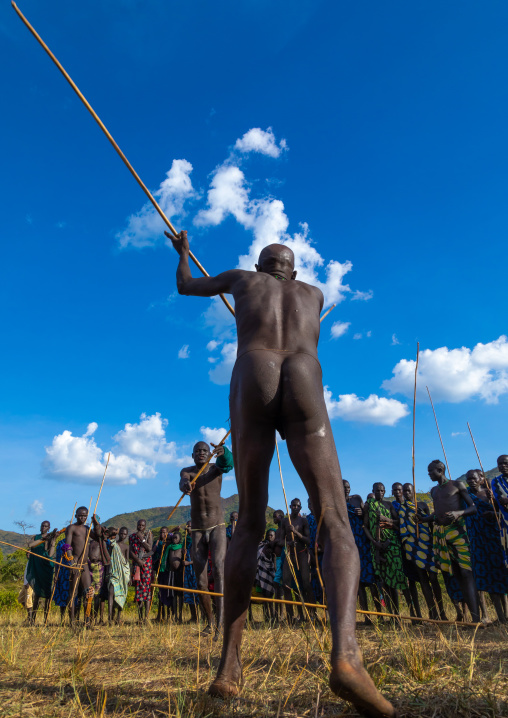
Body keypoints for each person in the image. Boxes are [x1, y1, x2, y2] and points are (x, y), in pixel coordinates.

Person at [169, 231, 395, 717]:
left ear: (260, 266)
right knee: (334, 517)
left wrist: (183, 253)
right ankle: (348, 658)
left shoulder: (242, 279)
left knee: (249, 521)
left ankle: (229, 667)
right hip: (305, 373)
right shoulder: (314, 294)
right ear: (291, 272)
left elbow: (187, 286)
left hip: (254, 370)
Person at [179, 440, 234, 636]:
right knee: (201, 581)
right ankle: (210, 623)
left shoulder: (216, 468)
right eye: (197, 451)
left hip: (217, 525)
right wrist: (185, 485)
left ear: (210, 453)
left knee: (219, 568)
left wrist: (224, 452)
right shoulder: (187, 471)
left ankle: (221, 623)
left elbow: (228, 463)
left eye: (205, 450)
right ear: (193, 455)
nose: (201, 453)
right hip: (198, 530)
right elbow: (182, 481)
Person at [416, 460, 480, 623]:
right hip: (441, 534)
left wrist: (459, 513)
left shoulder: (457, 485)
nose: (429, 474)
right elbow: (437, 515)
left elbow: (473, 508)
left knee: (466, 572)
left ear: (440, 470)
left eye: (430, 471)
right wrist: (424, 519)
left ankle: (476, 618)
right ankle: (468, 618)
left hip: (458, 532)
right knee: (456, 574)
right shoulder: (434, 491)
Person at [363, 483, 414, 618]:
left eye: (382, 490)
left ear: (385, 492)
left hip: (392, 544)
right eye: (377, 491)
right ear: (373, 491)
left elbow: (398, 522)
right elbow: (366, 526)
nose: (380, 493)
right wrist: (374, 542)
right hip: (377, 547)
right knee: (385, 582)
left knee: (400, 579)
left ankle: (413, 613)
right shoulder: (369, 506)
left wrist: (387, 520)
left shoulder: (389, 505)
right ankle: (393, 615)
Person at [398, 483, 447, 621]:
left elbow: (431, 523)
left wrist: (435, 542)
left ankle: (442, 611)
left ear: (413, 491)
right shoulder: (402, 508)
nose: (406, 493)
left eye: (408, 491)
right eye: (404, 491)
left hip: (427, 545)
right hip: (413, 547)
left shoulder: (422, 504)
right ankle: (433, 613)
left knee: (433, 578)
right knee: (423, 579)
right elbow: (403, 527)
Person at [465, 470, 508, 622]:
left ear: (481, 479)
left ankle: (506, 615)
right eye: (468, 479)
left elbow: (500, 512)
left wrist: (493, 507)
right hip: (476, 541)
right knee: (486, 577)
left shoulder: (491, 494)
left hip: (493, 539)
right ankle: (498, 616)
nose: (471, 481)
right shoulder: (466, 495)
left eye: (474, 478)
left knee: (500, 574)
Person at [342, 481, 382, 623]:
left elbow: (366, 515)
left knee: (371, 580)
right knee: (358, 583)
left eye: (347, 487)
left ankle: (380, 614)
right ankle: (366, 616)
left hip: (362, 541)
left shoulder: (357, 498)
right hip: (349, 543)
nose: (346, 489)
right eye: (343, 487)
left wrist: (361, 512)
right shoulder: (337, 502)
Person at [281, 498, 314, 624]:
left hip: (301, 554)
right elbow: (279, 540)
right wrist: (288, 542)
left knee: (306, 584)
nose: (295, 507)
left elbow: (308, 540)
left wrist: (295, 532)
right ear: (290, 506)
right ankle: (290, 616)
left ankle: (312, 614)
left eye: (297, 506)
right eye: (293, 506)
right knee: (286, 585)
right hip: (289, 554)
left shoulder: (303, 521)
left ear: (300, 508)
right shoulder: (285, 521)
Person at [26, 520, 58, 625]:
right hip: (36, 566)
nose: (44, 527)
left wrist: (52, 540)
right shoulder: (36, 537)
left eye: (46, 526)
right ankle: (32, 620)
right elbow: (30, 545)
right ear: (40, 527)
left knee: (47, 595)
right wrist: (43, 539)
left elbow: (51, 553)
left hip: (46, 567)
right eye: (42, 526)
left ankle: (45, 620)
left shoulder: (50, 538)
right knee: (36, 594)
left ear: (49, 528)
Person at [129, 519, 153, 622]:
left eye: (143, 525)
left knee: (147, 590)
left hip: (146, 565)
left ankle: (146, 617)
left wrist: (142, 539)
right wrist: (138, 560)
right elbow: (130, 552)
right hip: (137, 564)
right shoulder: (132, 537)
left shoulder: (149, 535)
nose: (140, 527)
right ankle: (140, 616)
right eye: (139, 525)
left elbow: (150, 549)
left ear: (145, 526)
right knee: (138, 589)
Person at [108, 526, 130, 624]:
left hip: (123, 574)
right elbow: (109, 557)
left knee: (122, 595)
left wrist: (129, 577)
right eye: (121, 533)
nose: (123, 535)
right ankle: (109, 618)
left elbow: (127, 561)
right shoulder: (113, 544)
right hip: (114, 573)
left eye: (125, 534)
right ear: (118, 533)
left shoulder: (126, 547)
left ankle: (118, 617)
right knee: (111, 593)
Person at [255, 529, 277, 623]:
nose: (270, 537)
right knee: (264, 596)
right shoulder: (261, 546)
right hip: (262, 573)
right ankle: (266, 617)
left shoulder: (276, 547)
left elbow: (274, 562)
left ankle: (273, 616)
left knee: (271, 597)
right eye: (268, 535)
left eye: (272, 535)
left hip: (271, 573)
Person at [491, 455, 508, 569]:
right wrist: (491, 499)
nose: (502, 466)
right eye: (500, 464)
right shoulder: (496, 481)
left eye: (505, 463)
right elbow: (498, 503)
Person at [307, 497, 324, 605]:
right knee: (313, 580)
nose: (311, 505)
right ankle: (314, 612)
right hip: (311, 554)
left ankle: (326, 610)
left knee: (324, 580)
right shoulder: (306, 519)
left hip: (323, 553)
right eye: (310, 503)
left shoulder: (323, 518)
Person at [153, 527, 171, 622]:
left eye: (164, 532)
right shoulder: (158, 543)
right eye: (161, 532)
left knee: (168, 592)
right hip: (159, 570)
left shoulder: (169, 542)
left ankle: (168, 615)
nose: (162, 534)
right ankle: (160, 614)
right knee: (160, 592)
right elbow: (153, 552)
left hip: (168, 570)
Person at [167, 530, 185, 622]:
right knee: (173, 595)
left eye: (176, 538)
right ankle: (175, 615)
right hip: (172, 572)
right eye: (173, 538)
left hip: (180, 572)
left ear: (179, 539)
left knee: (180, 595)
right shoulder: (169, 547)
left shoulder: (182, 547)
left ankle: (181, 615)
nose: (174, 539)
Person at [183, 520, 199, 622]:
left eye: (190, 526)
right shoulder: (187, 541)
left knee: (198, 593)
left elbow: (201, 557)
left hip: (196, 569)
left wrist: (190, 563)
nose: (188, 528)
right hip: (188, 570)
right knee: (189, 593)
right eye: (187, 526)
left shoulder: (198, 540)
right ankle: (194, 617)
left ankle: (202, 616)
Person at [272, 510, 286, 622]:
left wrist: (276, 542)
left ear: (281, 517)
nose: (273, 519)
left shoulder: (284, 529)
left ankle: (281, 614)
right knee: (277, 587)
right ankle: (277, 614)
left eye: (275, 517)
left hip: (283, 558)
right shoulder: (277, 530)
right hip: (277, 559)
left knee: (278, 585)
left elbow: (284, 543)